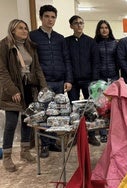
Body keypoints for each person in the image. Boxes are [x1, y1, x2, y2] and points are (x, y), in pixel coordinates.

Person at [0, 19, 47, 172]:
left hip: (29, 87)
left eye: (26, 28)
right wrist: (13, 90)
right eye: (20, 28)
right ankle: (7, 157)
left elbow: (37, 68)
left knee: (28, 120)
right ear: (12, 30)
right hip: (13, 89)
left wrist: (43, 87)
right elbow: (2, 72)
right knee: (11, 123)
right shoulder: (4, 45)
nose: (25, 31)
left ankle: (24, 151)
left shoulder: (30, 46)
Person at [30, 5, 73, 158]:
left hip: (59, 81)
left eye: (53, 17)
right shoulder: (33, 36)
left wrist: (68, 79)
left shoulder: (59, 38)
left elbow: (66, 59)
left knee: (57, 113)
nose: (50, 19)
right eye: (47, 16)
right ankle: (45, 145)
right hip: (43, 82)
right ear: (41, 17)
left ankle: (54, 142)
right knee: (44, 114)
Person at [65, 15, 101, 146]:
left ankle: (91, 135)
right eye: (76, 23)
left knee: (90, 109)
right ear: (71, 26)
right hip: (73, 81)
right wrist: (68, 79)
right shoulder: (66, 42)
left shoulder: (91, 42)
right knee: (74, 109)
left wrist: (94, 81)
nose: (79, 25)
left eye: (81, 23)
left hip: (88, 80)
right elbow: (66, 61)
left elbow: (96, 62)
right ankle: (75, 136)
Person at [94, 20, 119, 143]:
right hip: (100, 78)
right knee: (101, 105)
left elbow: (118, 60)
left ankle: (113, 130)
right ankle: (103, 132)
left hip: (113, 77)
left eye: (106, 27)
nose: (104, 30)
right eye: (102, 28)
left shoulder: (115, 43)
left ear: (109, 29)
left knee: (113, 105)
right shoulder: (94, 43)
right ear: (98, 30)